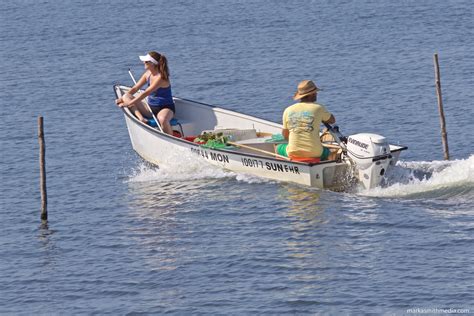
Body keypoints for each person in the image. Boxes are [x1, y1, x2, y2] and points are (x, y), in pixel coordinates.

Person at [115, 51, 175, 135]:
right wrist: (122, 99)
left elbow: (146, 93)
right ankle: (141, 118)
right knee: (126, 96)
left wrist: (128, 104)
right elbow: (135, 88)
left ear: (153, 63)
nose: (143, 62)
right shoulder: (147, 74)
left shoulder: (161, 78)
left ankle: (170, 140)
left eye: (146, 61)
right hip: (150, 108)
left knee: (162, 119)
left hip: (165, 108)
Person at [276, 80, 336, 161]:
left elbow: (286, 135)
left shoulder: (288, 110)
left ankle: (286, 167)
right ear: (311, 94)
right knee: (329, 152)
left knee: (277, 147)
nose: (317, 94)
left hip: (293, 152)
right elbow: (332, 120)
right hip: (315, 153)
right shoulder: (318, 108)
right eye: (315, 92)